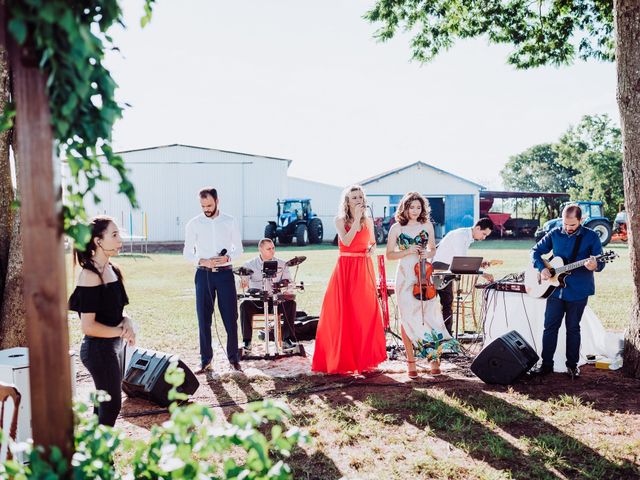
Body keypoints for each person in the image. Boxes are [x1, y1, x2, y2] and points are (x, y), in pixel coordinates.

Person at [68, 216, 136, 426]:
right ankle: (101, 456)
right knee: (112, 404)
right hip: (97, 350)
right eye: (114, 235)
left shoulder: (113, 270)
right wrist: (120, 331)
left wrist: (127, 322)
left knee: (105, 404)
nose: (119, 240)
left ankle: (95, 453)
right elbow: (88, 326)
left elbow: (116, 313)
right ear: (98, 241)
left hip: (112, 347)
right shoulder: (90, 275)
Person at [312, 185, 387, 374]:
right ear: (347, 201)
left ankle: (364, 359)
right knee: (344, 312)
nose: (358, 200)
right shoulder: (339, 220)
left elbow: (372, 243)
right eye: (354, 197)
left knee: (364, 312)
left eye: (360, 196)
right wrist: (356, 222)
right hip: (346, 269)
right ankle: (342, 360)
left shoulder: (368, 221)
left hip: (363, 268)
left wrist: (371, 249)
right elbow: (346, 241)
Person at [531, 204, 605, 378]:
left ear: (581, 220)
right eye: (565, 223)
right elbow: (535, 251)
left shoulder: (592, 236)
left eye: (572, 225)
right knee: (550, 328)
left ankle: (572, 366)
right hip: (555, 291)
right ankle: (546, 365)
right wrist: (542, 268)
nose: (568, 228)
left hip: (578, 291)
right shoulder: (555, 233)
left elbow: (600, 263)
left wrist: (595, 265)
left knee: (573, 328)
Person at [386, 192, 449, 379]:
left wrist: (425, 254)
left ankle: (433, 360)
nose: (415, 211)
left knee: (429, 316)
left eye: (418, 207)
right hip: (405, 276)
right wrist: (407, 252)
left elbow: (432, 250)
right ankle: (411, 363)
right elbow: (389, 255)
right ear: (404, 208)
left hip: (423, 274)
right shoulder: (396, 228)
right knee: (407, 317)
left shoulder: (427, 225)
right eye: (411, 207)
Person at [183, 187, 243, 373]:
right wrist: (202, 261)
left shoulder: (230, 221)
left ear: (217, 201)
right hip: (203, 275)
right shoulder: (193, 224)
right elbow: (187, 252)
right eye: (203, 206)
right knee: (204, 319)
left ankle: (234, 360)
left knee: (231, 318)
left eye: (209, 205)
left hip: (225, 274)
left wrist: (228, 258)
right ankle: (205, 361)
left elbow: (239, 249)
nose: (206, 209)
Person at [432, 217, 495, 335]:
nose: (484, 238)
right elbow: (462, 262)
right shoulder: (461, 236)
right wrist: (482, 273)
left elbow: (462, 261)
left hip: (447, 269)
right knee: (436, 305)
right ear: (477, 228)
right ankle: (442, 335)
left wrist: (479, 264)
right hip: (439, 269)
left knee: (447, 304)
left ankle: (447, 335)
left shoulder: (466, 236)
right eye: (484, 234)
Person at [239, 238, 298, 352]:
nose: (272, 251)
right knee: (244, 304)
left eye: (273, 248)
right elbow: (242, 283)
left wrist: (286, 287)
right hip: (258, 301)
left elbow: (288, 282)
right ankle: (247, 341)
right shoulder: (249, 264)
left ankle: (287, 340)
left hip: (276, 299)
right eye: (268, 249)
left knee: (291, 303)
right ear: (260, 249)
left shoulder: (282, 264)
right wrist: (243, 282)